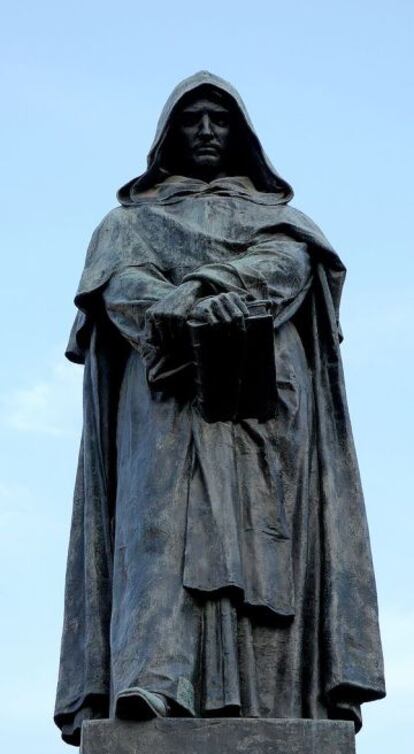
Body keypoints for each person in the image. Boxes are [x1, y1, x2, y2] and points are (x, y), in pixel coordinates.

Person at [54, 71, 385, 746]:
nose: (206, 131)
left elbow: (291, 266)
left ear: (242, 136)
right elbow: (120, 286)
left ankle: (274, 689)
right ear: (168, 135)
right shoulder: (129, 223)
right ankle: (155, 675)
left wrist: (210, 286)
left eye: (220, 120)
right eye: (193, 119)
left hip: (263, 405)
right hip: (166, 390)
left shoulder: (282, 220)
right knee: (161, 527)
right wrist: (177, 313)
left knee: (265, 542)